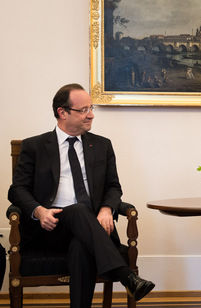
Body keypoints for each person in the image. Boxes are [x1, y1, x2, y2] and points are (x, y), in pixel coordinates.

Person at [8, 83, 155, 307]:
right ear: (62, 112)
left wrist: (106, 209)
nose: (91, 115)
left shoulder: (102, 145)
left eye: (91, 108)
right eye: (84, 110)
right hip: (49, 228)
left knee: (80, 244)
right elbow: (17, 189)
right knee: (78, 210)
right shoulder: (35, 146)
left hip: (90, 228)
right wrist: (39, 211)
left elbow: (113, 187)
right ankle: (126, 276)